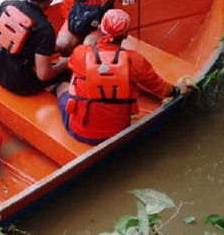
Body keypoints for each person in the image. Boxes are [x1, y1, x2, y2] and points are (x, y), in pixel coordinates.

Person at [56, 9, 194, 145]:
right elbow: (162, 89)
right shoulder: (136, 61)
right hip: (118, 133)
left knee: (62, 86)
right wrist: (177, 90)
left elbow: (71, 65)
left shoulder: (80, 54)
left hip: (80, 132)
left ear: (99, 29)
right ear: (126, 35)